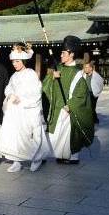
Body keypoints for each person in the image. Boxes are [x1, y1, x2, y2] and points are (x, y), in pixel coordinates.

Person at [0, 43, 52, 172]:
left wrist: (22, 99)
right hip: (16, 110)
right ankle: (16, 160)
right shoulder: (14, 76)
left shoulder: (30, 73)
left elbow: (36, 91)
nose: (14, 64)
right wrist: (10, 95)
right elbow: (8, 88)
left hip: (29, 109)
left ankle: (37, 159)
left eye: (17, 61)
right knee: (15, 134)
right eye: (13, 61)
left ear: (23, 61)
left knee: (34, 135)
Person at [42, 35, 94, 164]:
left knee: (68, 134)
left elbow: (81, 94)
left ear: (71, 54)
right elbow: (45, 86)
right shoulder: (58, 68)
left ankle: (72, 157)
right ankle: (59, 155)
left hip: (67, 108)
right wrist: (52, 77)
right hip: (56, 107)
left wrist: (70, 105)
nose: (61, 55)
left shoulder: (77, 73)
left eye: (63, 53)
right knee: (56, 134)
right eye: (61, 53)